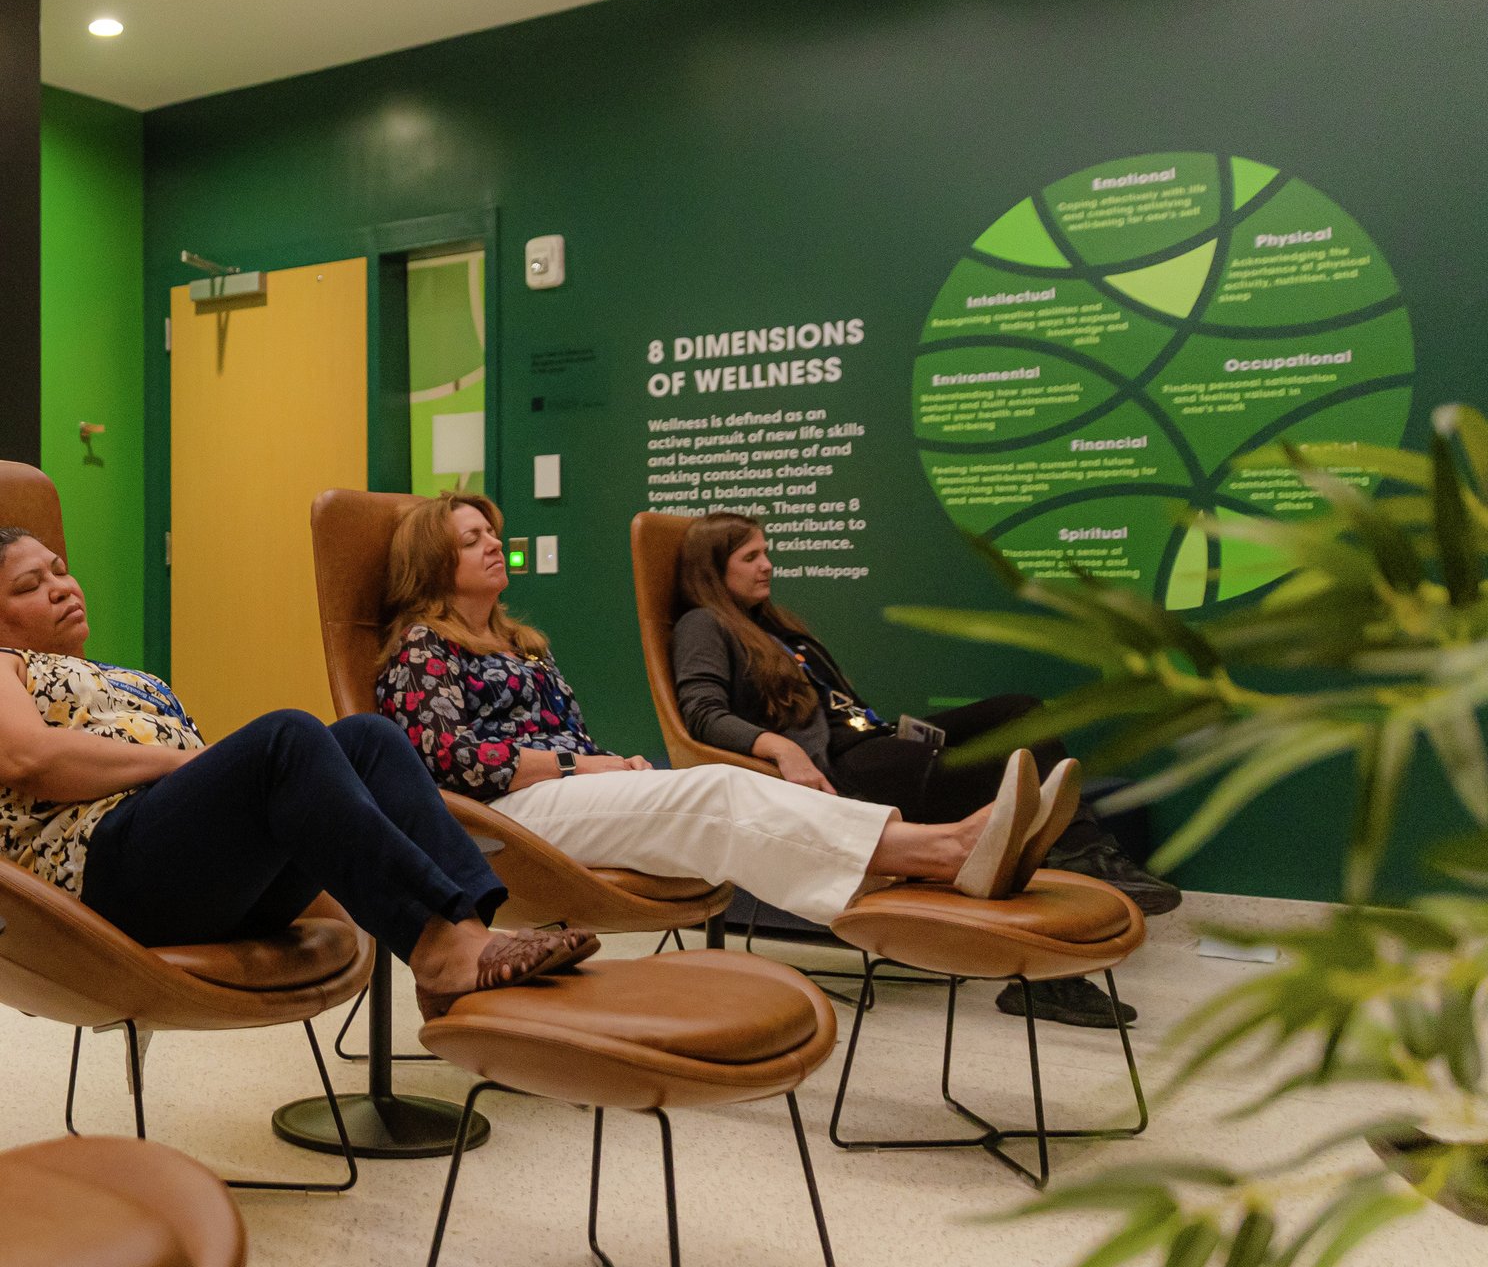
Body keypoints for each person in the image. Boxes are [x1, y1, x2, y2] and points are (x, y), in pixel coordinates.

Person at [373, 494, 1075, 931]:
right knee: (723, 790)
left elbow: (574, 739)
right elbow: (452, 763)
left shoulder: (526, 643)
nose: (495, 543)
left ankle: (938, 856)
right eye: (471, 539)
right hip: (498, 820)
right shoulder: (421, 646)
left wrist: (604, 763)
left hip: (565, 795)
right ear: (434, 563)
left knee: (720, 800)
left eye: (492, 532)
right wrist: (584, 763)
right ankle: (946, 851)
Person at [0, 526, 595, 1021]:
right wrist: (187, 762)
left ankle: (463, 936)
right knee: (288, 735)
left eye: (59, 570)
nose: (60, 588)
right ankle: (442, 952)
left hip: (190, 873)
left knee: (369, 737)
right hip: (104, 878)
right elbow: (28, 759)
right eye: (30, 585)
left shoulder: (124, 676)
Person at [671, 511, 1181, 1029]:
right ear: (714, 570)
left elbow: (842, 708)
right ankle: (1054, 951)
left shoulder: (775, 627)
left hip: (877, 743)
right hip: (842, 771)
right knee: (999, 773)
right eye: (751, 557)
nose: (768, 565)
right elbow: (701, 715)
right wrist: (782, 749)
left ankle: (1083, 864)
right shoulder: (703, 625)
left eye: (766, 552)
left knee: (1019, 713)